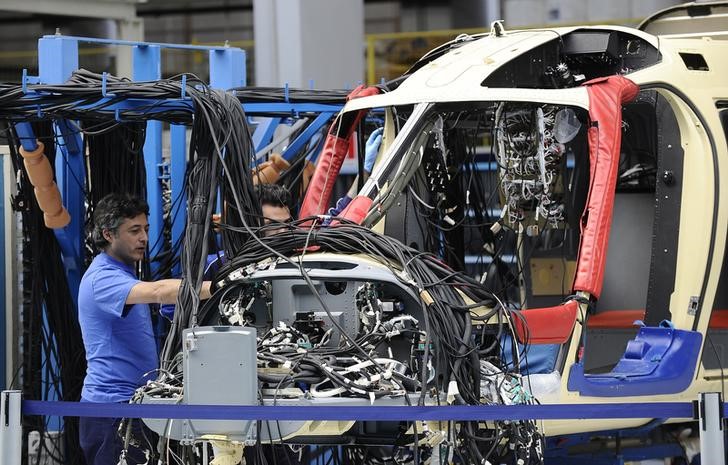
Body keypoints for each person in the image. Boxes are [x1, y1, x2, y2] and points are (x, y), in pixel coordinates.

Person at [78, 193, 211, 465]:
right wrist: (220, 285)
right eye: (134, 231)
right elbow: (159, 291)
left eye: (146, 229)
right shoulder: (102, 277)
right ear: (108, 234)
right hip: (112, 410)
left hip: (134, 405)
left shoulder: (123, 274)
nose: (144, 239)